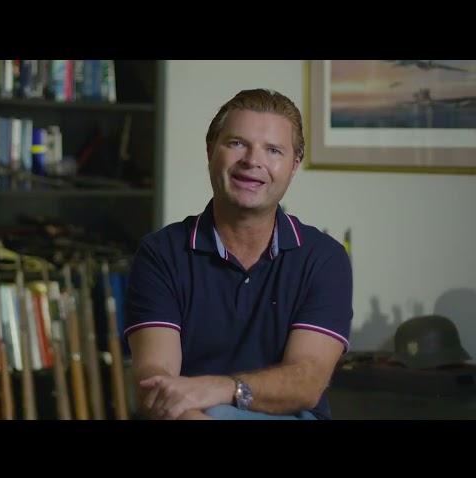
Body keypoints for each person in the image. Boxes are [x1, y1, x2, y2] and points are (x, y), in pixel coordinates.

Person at [124, 88, 353, 420]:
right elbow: (155, 383)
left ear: (294, 165)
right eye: (236, 143)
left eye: (273, 150)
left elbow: (306, 381)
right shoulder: (161, 253)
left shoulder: (324, 258)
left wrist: (222, 388)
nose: (252, 161)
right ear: (210, 150)